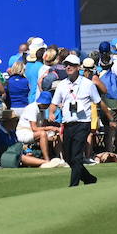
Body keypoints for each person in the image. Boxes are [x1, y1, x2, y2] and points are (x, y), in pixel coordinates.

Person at [50, 54, 99, 187]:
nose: (68, 67)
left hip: (83, 123)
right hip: (68, 124)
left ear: (78, 67)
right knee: (68, 157)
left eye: (71, 65)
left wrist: (108, 117)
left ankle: (73, 185)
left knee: (76, 155)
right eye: (66, 65)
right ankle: (89, 178)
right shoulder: (62, 85)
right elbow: (54, 102)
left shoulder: (88, 84)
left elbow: (97, 101)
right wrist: (51, 112)